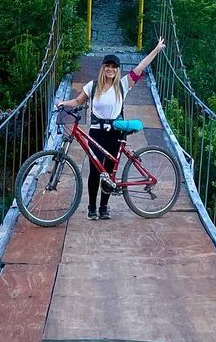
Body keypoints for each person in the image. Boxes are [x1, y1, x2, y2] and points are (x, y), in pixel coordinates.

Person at [56, 37, 165, 219]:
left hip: (115, 133)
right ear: (103, 67)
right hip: (96, 133)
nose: (111, 69)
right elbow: (77, 101)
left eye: (114, 67)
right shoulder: (93, 86)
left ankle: (104, 208)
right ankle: (91, 207)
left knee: (108, 172)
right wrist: (62, 103)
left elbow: (141, 66)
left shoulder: (123, 85)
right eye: (108, 66)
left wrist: (156, 49)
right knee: (94, 170)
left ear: (117, 70)